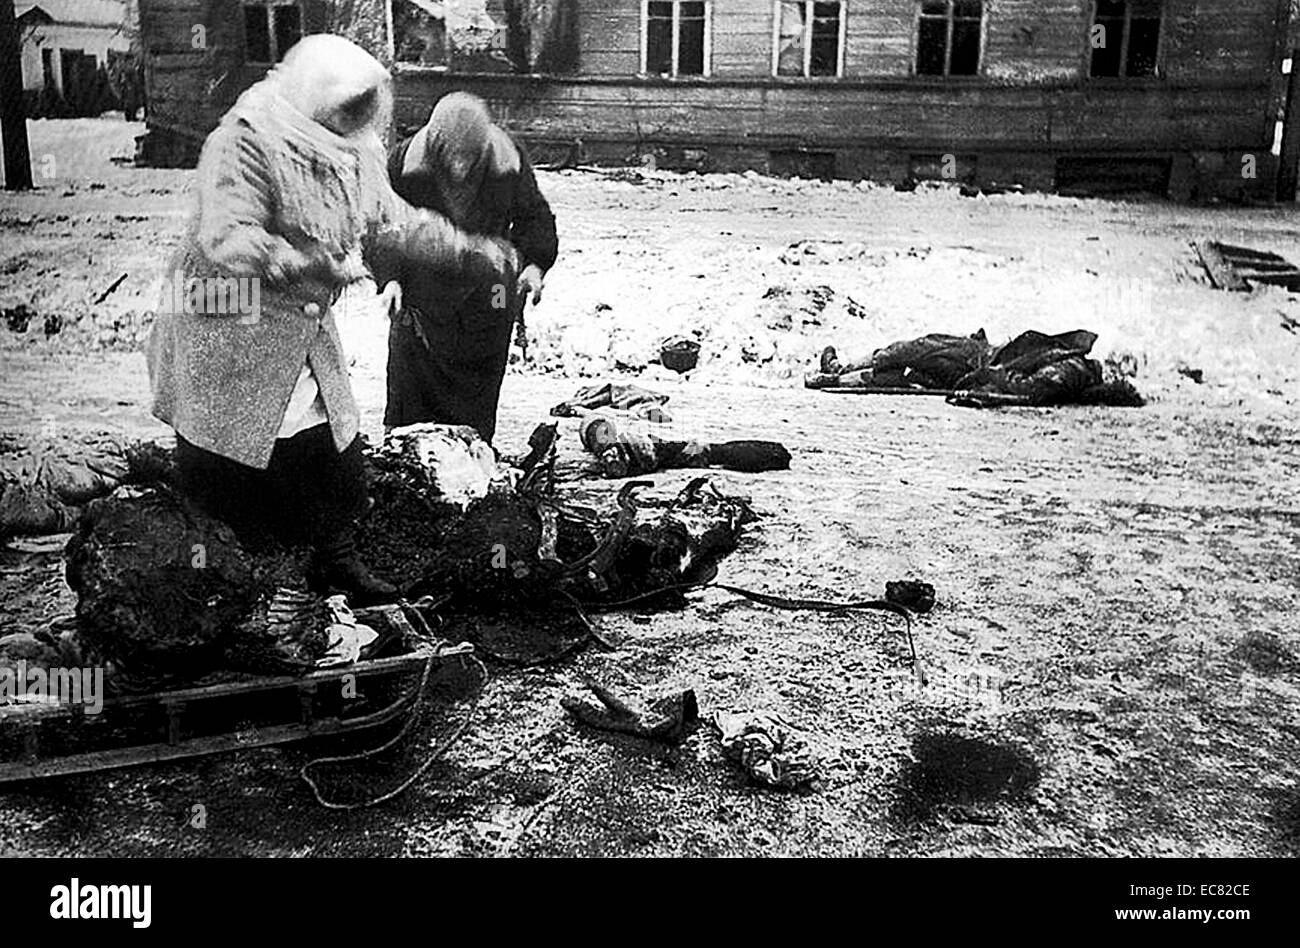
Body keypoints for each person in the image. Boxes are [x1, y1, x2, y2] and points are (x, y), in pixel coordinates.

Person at [147, 36, 519, 604]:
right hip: (225, 317)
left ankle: (335, 560)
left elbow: (394, 223)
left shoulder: (352, 152)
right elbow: (228, 235)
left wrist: (468, 249)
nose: (356, 120)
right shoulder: (246, 141)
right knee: (229, 454)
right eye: (346, 108)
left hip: (298, 321)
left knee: (329, 439)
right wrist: (307, 261)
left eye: (363, 109)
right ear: (315, 97)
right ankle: (230, 585)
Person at [382, 92, 558, 443]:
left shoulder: (509, 160)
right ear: (436, 145)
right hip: (422, 291)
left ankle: (474, 447)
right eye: (453, 156)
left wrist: (535, 265)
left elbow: (533, 215)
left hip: (492, 287)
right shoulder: (404, 163)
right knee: (411, 379)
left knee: (484, 368)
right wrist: (389, 278)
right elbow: (384, 227)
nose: (461, 165)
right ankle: (405, 450)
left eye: (469, 157)